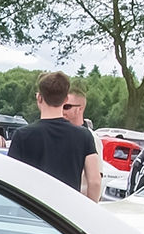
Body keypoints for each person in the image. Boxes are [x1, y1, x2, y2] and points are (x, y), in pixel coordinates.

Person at [8, 71, 101, 200]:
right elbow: (95, 181)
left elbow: (12, 179)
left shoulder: (22, 135)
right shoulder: (84, 135)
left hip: (32, 210)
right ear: (66, 99)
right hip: (66, 213)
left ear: (39, 98)